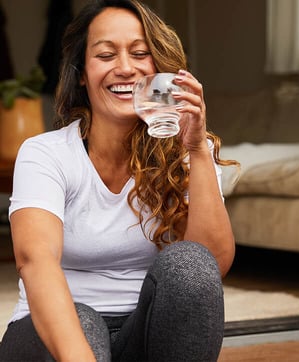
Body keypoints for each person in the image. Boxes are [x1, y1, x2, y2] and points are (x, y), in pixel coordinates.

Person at [0, 0, 237, 361]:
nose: (125, 68)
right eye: (106, 55)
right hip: (52, 337)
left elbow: (211, 264)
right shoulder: (45, 154)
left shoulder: (189, 149)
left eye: (140, 53)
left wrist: (197, 151)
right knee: (84, 323)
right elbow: (36, 261)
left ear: (158, 66)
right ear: (82, 72)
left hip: (140, 336)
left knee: (190, 262)